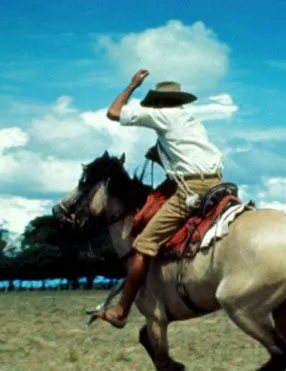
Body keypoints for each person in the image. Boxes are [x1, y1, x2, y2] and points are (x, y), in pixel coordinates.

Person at [89, 69, 225, 329]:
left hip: (192, 188)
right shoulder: (191, 121)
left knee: (143, 245)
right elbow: (189, 155)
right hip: (217, 183)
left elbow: (113, 112)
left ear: (160, 102)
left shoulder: (163, 115)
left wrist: (132, 86)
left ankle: (121, 311)